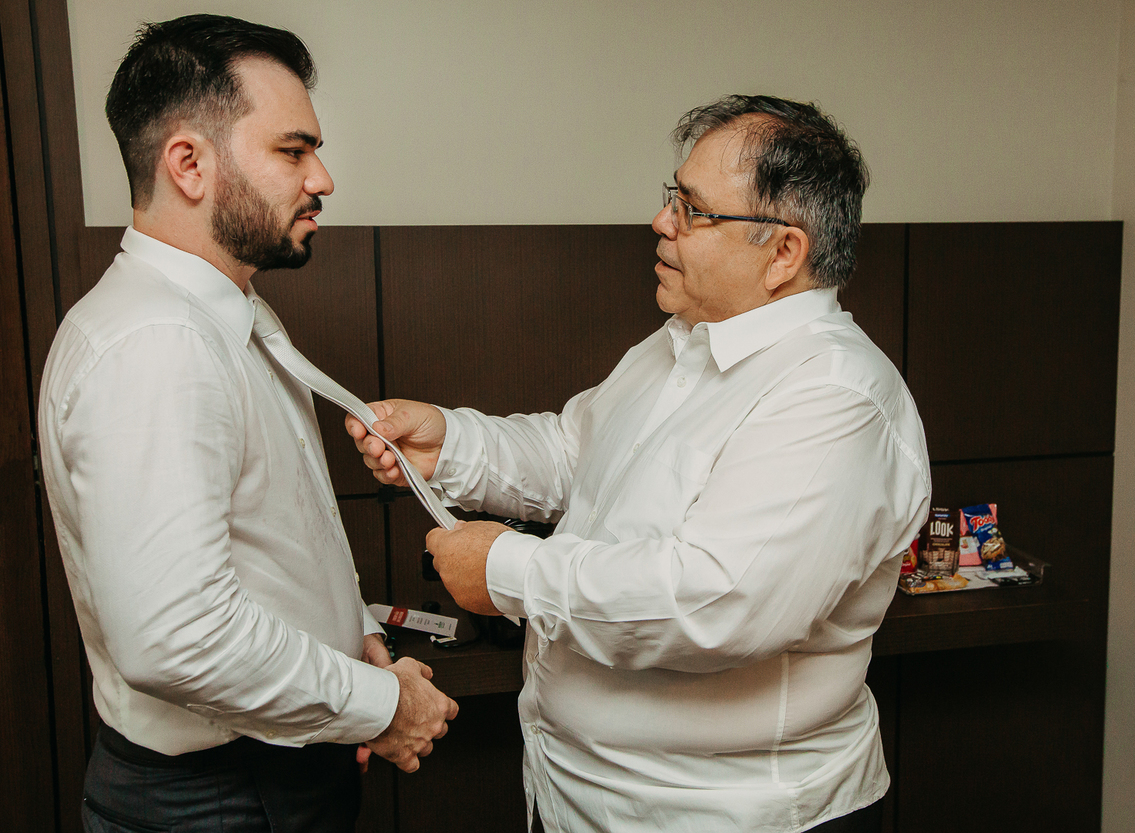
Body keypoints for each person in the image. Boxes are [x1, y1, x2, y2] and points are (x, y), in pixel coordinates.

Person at [349, 95, 930, 832]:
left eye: (693, 209)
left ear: (784, 253)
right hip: (574, 798)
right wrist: (452, 445)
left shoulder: (835, 394)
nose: (661, 222)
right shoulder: (679, 342)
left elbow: (715, 603)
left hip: (731, 819)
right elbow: (576, 453)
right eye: (671, 197)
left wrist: (507, 572)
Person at [38, 14, 457, 832]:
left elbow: (268, 546)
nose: (323, 178)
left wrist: (352, 648)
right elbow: (178, 636)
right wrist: (377, 702)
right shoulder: (158, 346)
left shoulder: (222, 317)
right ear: (189, 164)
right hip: (223, 796)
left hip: (273, 768)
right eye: (293, 151)